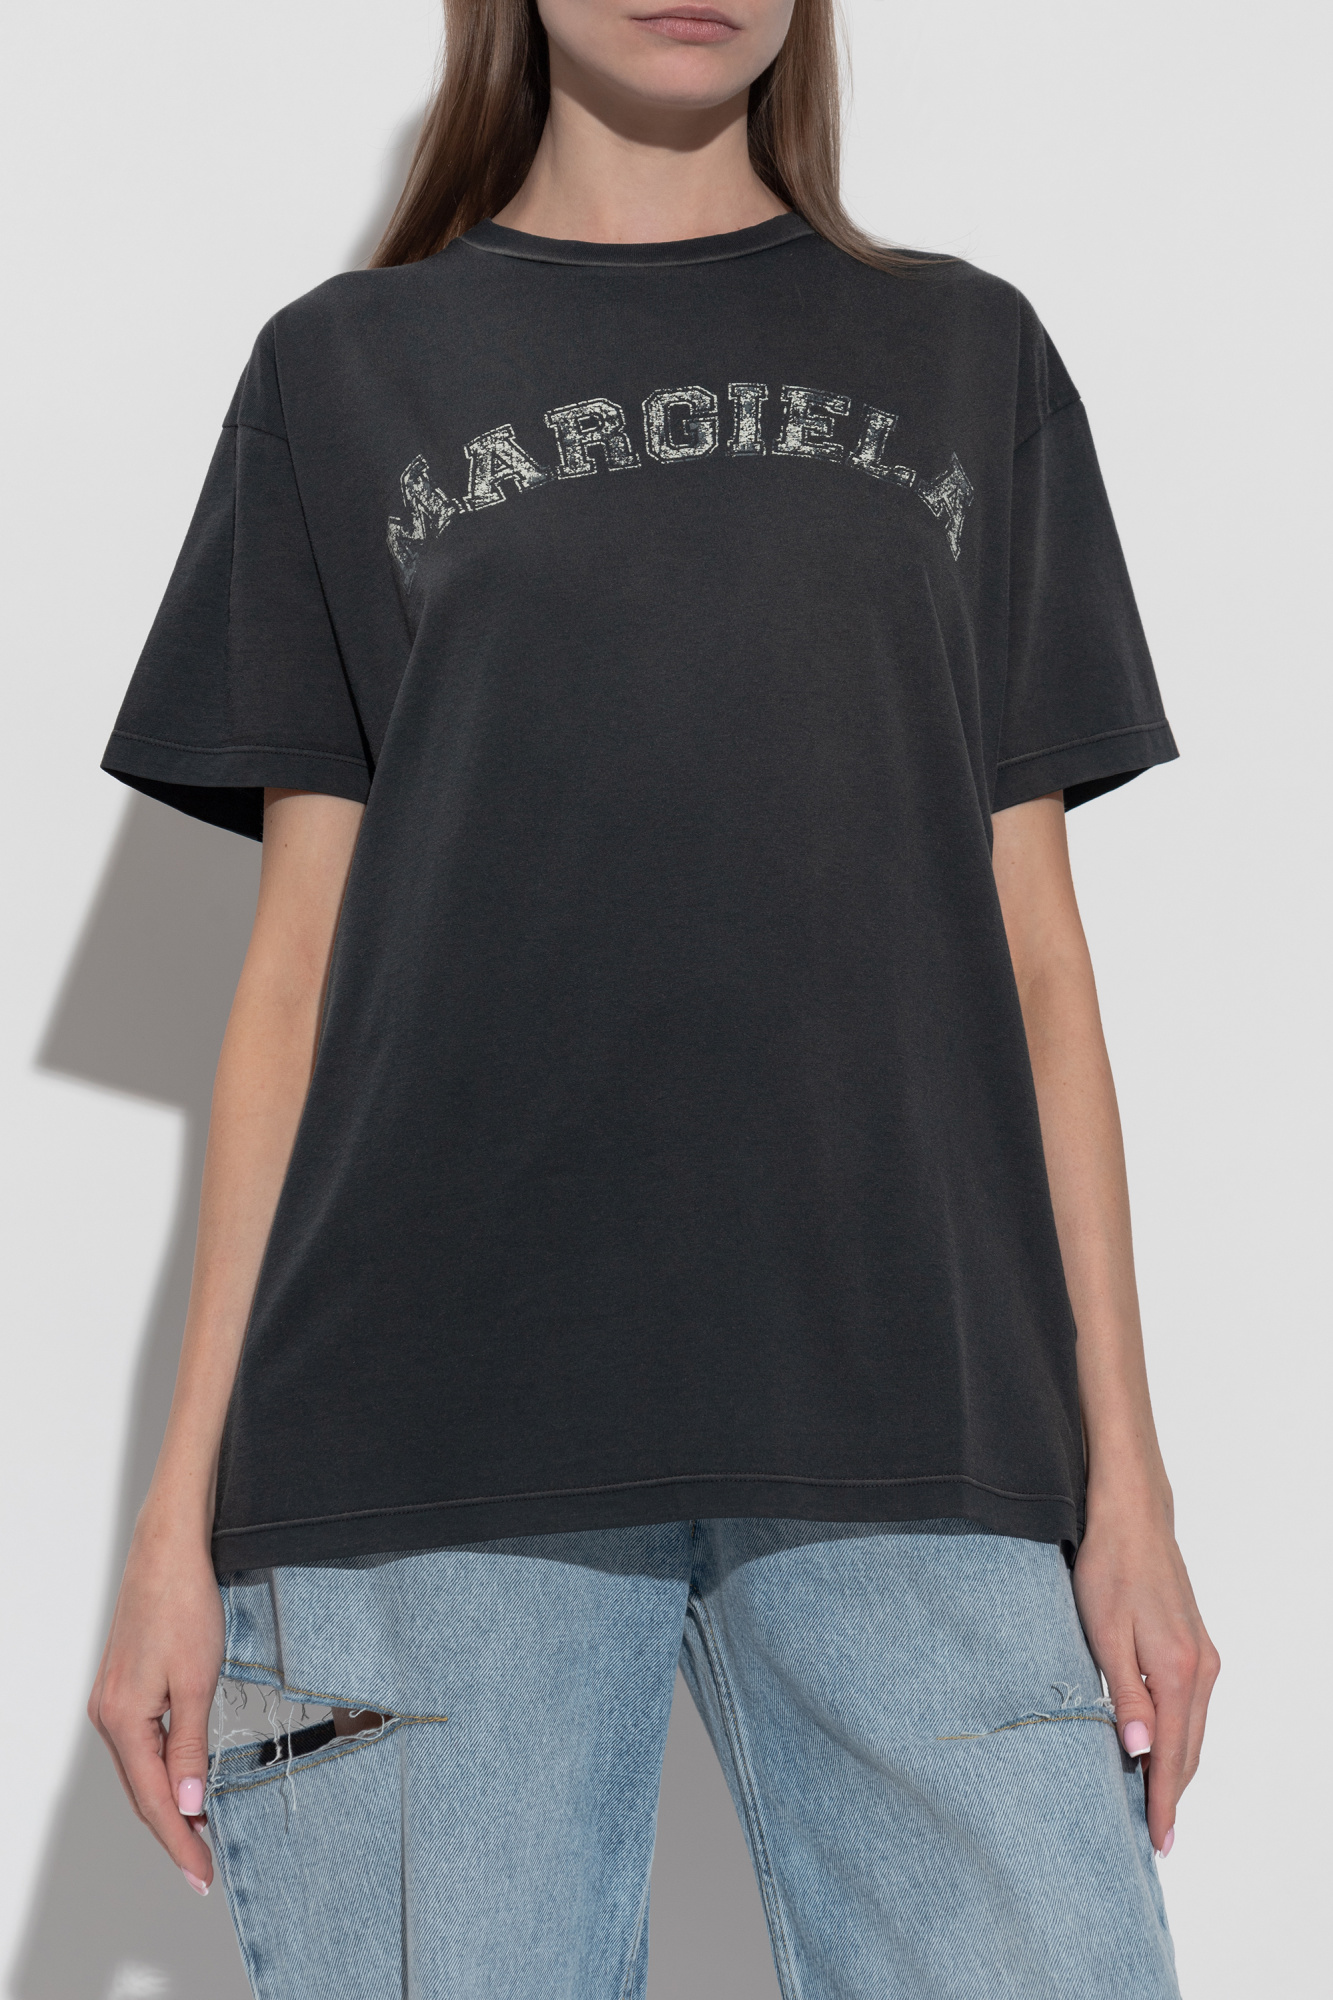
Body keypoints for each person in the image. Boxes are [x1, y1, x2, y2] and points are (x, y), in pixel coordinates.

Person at [88, 0, 1219, 1990]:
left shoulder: (966, 358)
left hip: (912, 1418)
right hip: (420, 1446)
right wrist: (173, 1523)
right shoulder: (341, 371)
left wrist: (1129, 1487)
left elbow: (1041, 960)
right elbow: (294, 978)